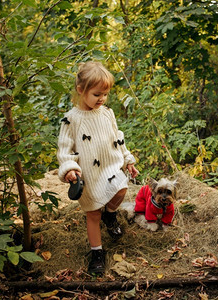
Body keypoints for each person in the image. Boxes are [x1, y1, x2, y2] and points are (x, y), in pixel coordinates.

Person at [57, 61, 139, 275]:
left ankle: (110, 215)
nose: (102, 99)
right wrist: (69, 169)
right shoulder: (71, 119)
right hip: (89, 173)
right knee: (93, 214)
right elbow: (64, 149)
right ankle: (97, 253)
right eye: (96, 94)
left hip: (110, 166)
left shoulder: (107, 113)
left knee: (121, 190)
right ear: (81, 90)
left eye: (105, 94)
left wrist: (128, 160)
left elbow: (117, 138)